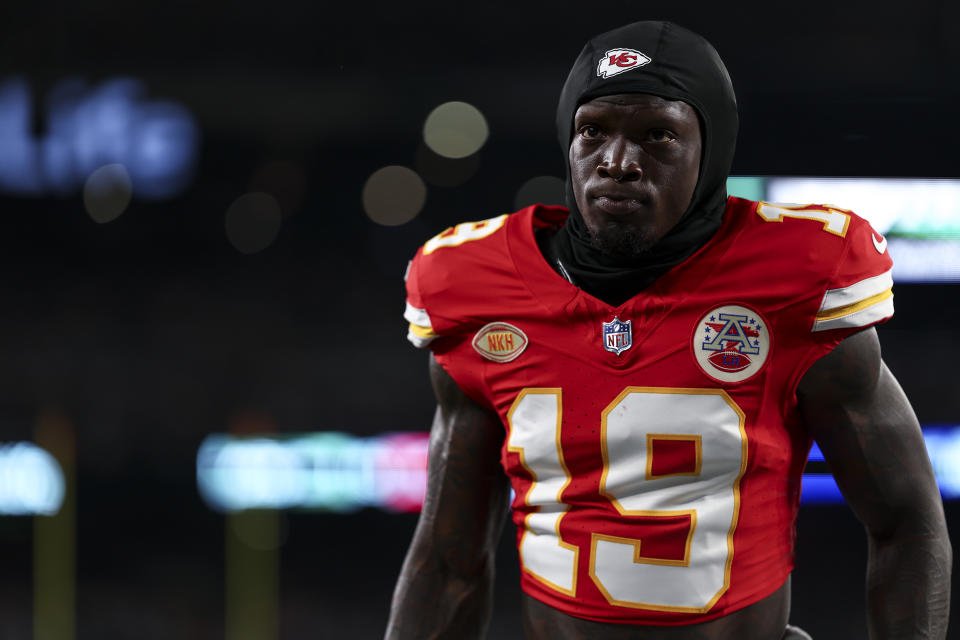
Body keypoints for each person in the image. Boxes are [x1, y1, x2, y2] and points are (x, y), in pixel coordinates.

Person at [385, 21, 951, 640]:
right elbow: (447, 563)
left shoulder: (797, 279)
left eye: (657, 135)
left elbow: (908, 524)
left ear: (711, 150)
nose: (618, 163)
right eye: (592, 131)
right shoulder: (476, 287)